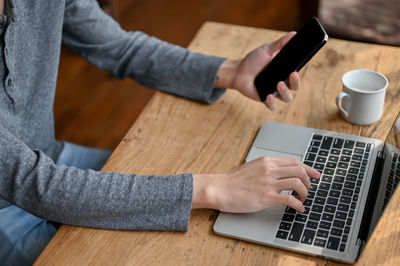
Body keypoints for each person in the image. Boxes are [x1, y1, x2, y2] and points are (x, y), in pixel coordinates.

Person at [0, 0, 320, 265]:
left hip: (51, 159)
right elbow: (37, 185)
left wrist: (231, 72)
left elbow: (118, 46)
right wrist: (215, 188)